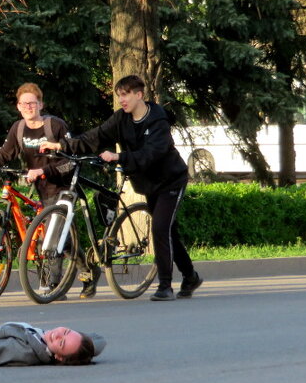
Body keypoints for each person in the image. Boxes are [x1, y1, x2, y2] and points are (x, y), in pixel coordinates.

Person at [39, 74, 202, 301]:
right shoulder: (121, 119)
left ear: (139, 95)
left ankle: (165, 286)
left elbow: (152, 153)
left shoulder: (158, 120)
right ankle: (190, 276)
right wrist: (62, 144)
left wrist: (118, 156)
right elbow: (95, 136)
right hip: (149, 183)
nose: (122, 100)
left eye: (125, 95)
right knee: (168, 231)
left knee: (160, 228)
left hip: (171, 181)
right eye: (119, 96)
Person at [0, 82, 99, 298]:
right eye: (23, 103)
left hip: (63, 186)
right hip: (40, 188)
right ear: (18, 107)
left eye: (32, 103)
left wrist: (43, 171)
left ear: (41, 104)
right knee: (60, 238)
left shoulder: (55, 126)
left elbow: (72, 161)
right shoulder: (18, 128)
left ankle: (53, 285)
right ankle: (88, 270)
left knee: (51, 235)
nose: (28, 107)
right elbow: (5, 152)